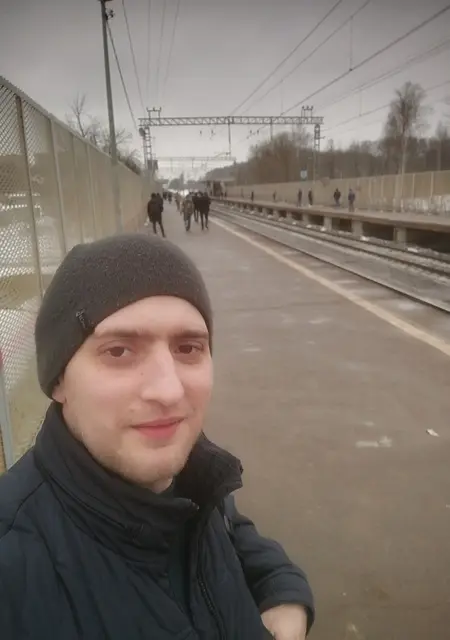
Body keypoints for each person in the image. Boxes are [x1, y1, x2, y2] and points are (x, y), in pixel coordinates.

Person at [0, 233, 315, 640]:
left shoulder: (196, 476)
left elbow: (229, 529)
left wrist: (280, 586)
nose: (168, 390)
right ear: (59, 380)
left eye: (188, 348)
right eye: (119, 351)